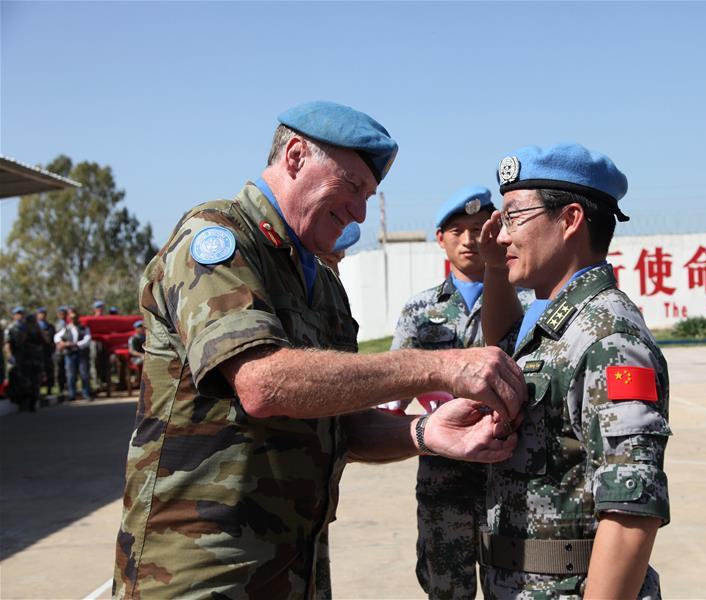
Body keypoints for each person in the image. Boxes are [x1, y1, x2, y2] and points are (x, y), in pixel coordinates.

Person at [112, 101, 526, 599]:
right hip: (202, 571)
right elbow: (263, 384)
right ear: (294, 157)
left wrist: (425, 432)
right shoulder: (219, 242)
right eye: (352, 187)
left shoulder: (322, 286)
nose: (360, 211)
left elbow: (344, 426)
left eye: (369, 196)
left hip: (295, 566)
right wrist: (435, 366)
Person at [477, 144, 671, 599]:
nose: (501, 236)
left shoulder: (609, 337)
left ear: (569, 221)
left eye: (512, 218)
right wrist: (492, 266)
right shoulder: (557, 323)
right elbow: (501, 341)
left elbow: (632, 507)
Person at [378, 186, 529, 600]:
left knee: (513, 587)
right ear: (440, 238)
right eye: (457, 230)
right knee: (446, 587)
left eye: (480, 229)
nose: (469, 240)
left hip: (509, 475)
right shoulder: (419, 310)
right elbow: (394, 392)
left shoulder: (526, 303)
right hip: (442, 476)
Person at [5, 308, 44, 412]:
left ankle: (32, 401)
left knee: (34, 380)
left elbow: (44, 341)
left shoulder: (34, 328)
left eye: (22, 314)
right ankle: (21, 401)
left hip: (34, 358)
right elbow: (8, 343)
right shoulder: (13, 327)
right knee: (21, 380)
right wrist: (10, 356)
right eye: (18, 314)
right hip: (20, 358)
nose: (20, 316)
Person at [54, 307, 92, 401]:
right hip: (70, 354)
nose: (73, 318)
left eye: (75, 316)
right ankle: (72, 394)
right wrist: (63, 343)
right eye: (71, 317)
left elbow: (87, 340)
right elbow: (56, 337)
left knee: (84, 374)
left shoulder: (84, 328)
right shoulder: (66, 328)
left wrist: (75, 344)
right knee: (71, 375)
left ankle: (86, 394)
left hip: (81, 353)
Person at [35, 307, 56, 396]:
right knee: (38, 372)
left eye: (44, 313)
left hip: (48, 353)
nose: (42, 315)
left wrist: (54, 351)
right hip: (37, 353)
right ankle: (38, 391)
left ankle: (49, 389)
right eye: (40, 313)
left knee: (49, 371)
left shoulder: (50, 327)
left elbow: (54, 340)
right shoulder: (34, 327)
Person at [53, 306, 68, 398]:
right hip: (59, 350)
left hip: (68, 349)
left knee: (68, 370)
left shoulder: (69, 324)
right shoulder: (57, 325)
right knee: (60, 369)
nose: (62, 315)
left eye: (64, 313)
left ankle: (67, 387)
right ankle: (61, 387)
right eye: (61, 313)